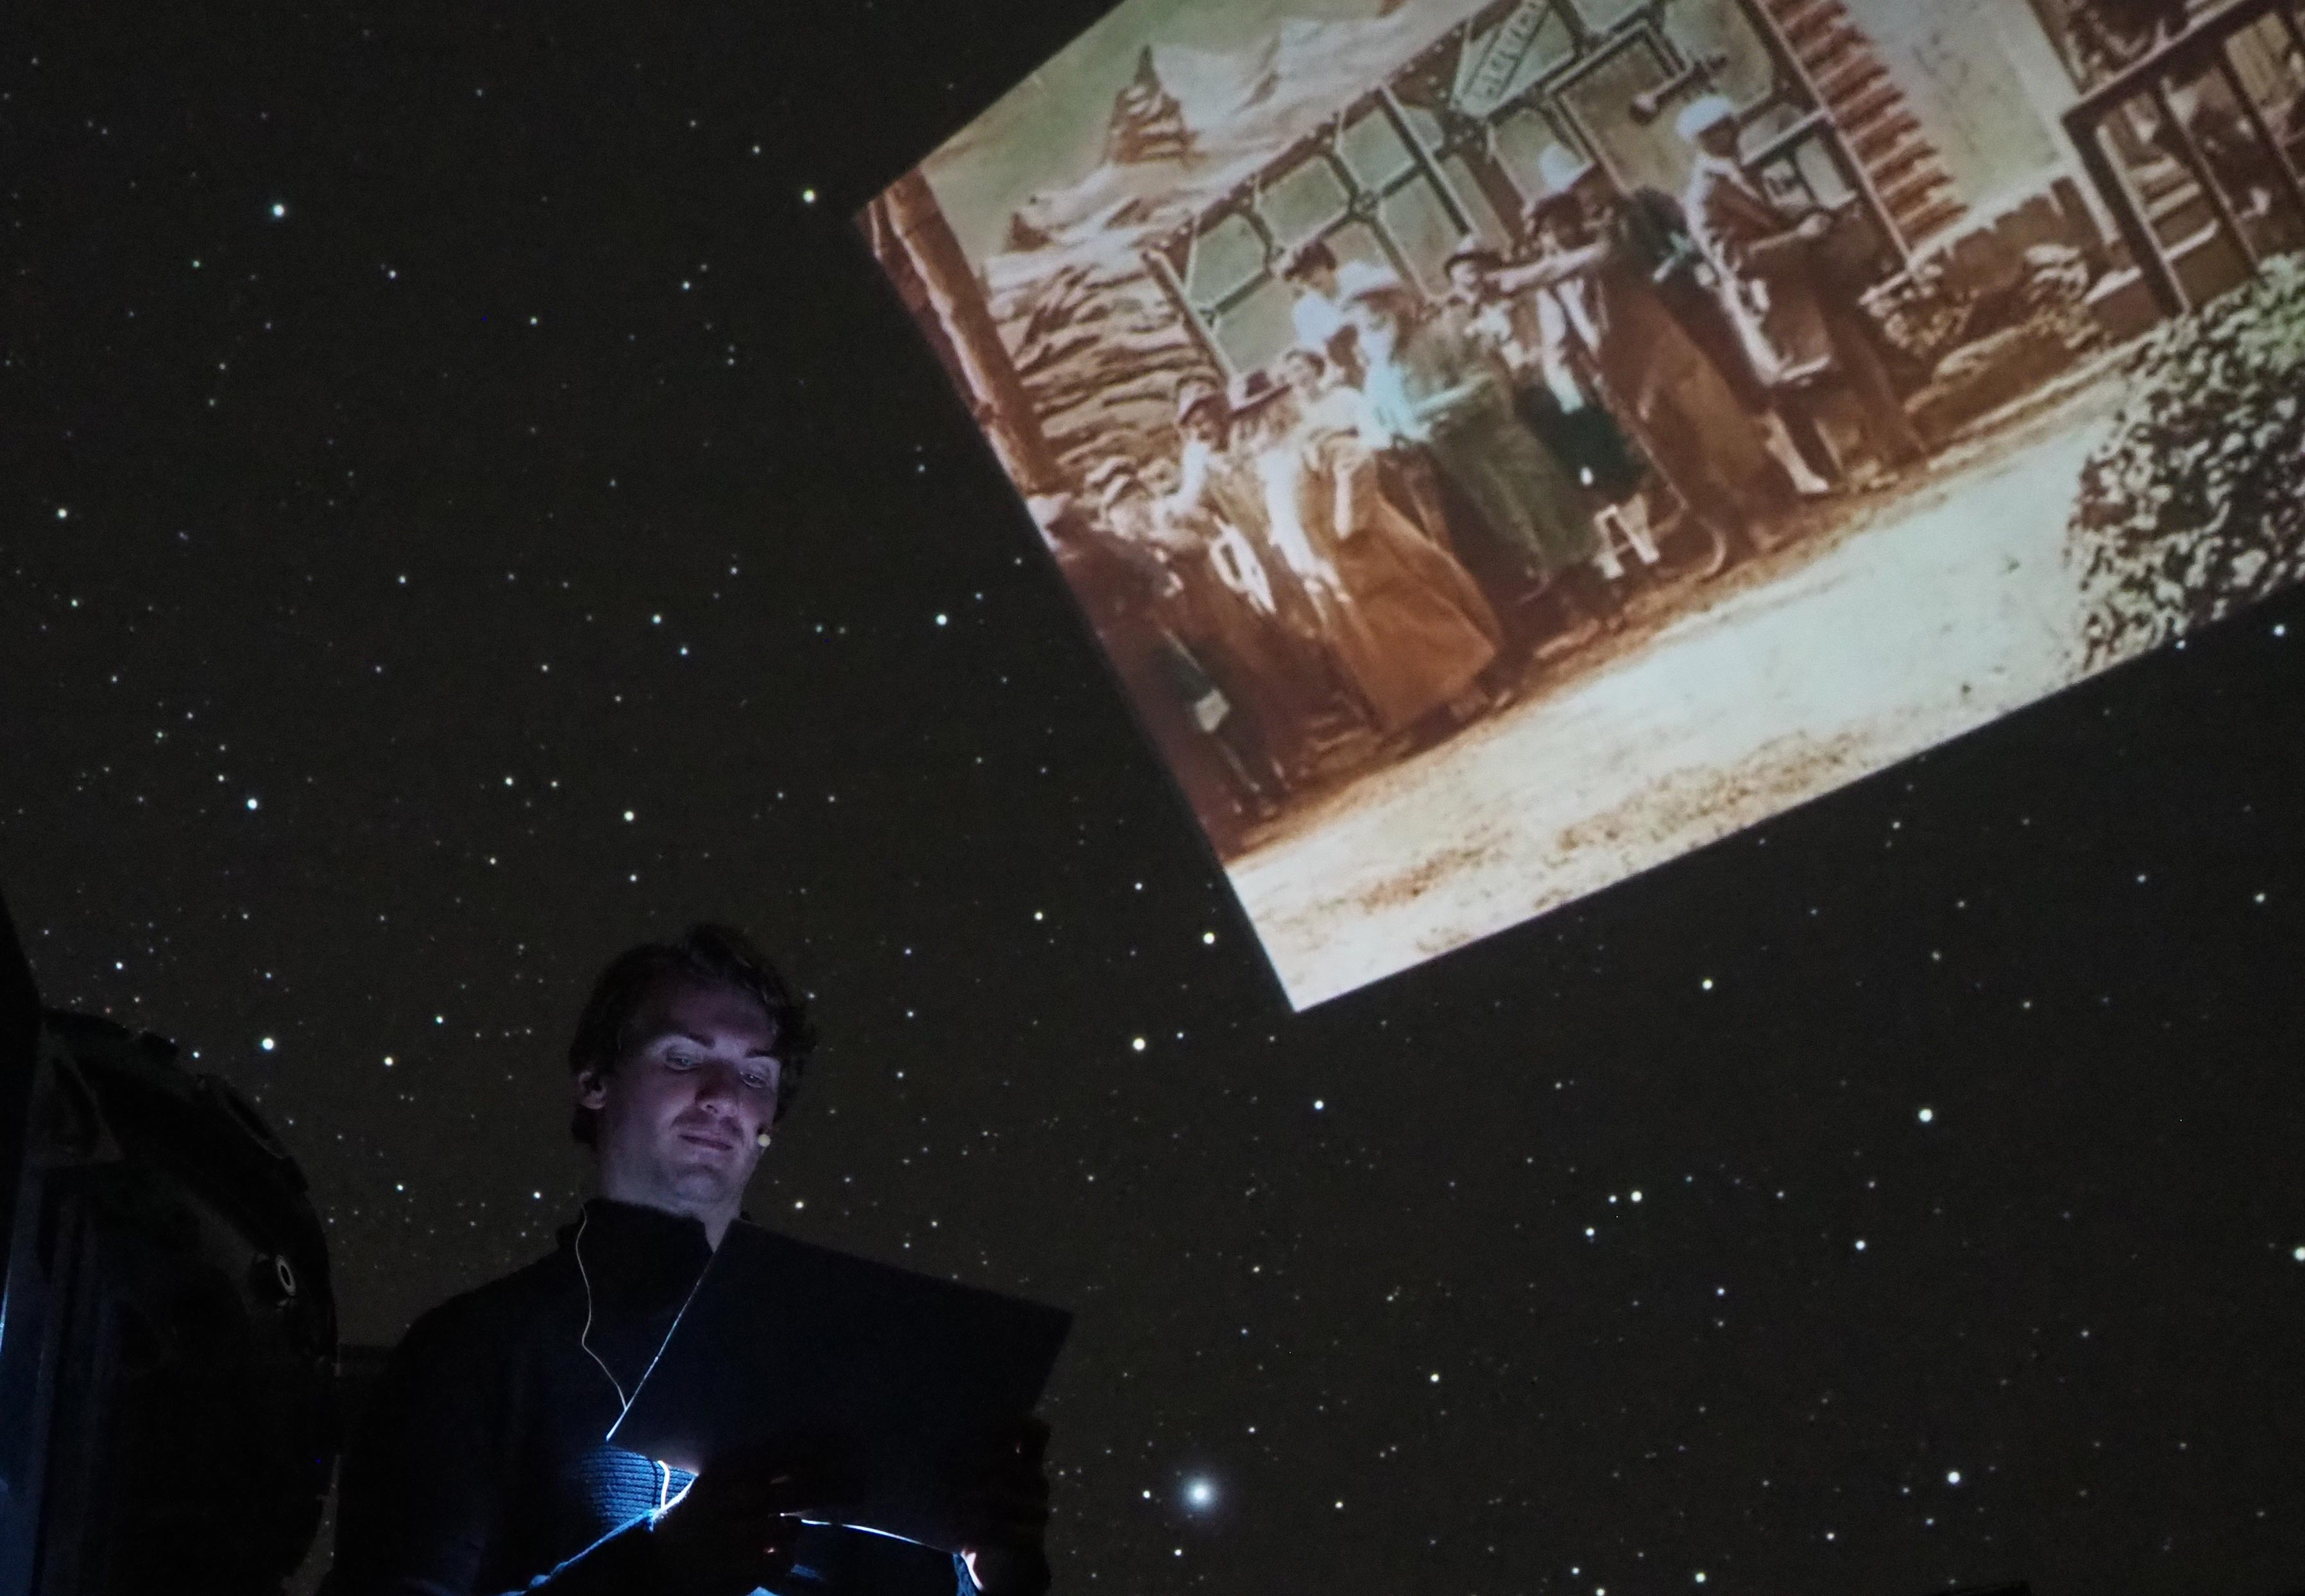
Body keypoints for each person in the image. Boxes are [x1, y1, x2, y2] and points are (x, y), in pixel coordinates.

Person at [323, 926, 1051, 1596]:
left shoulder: (866, 1369)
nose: (722, 1097)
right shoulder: (477, 1354)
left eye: (755, 1076)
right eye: (683, 1058)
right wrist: (654, 1568)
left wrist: (999, 1575)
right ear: (595, 1080)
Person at [1499, 145, 1790, 567]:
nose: (1561, 235)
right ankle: (1726, 536)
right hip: (1624, 378)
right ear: (1539, 240)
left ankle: (1768, 517)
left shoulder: (1608, 242)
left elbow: (1586, 263)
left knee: (1719, 433)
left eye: (1565, 223)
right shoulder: (1553, 287)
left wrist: (1514, 278)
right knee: (1673, 458)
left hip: (1667, 354)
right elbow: (1558, 343)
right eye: (1549, 231)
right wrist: (1575, 397)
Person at [1676, 93, 1928, 479]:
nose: (1726, 136)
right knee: (1818, 387)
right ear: (1699, 143)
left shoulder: (1739, 171)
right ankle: (1855, 469)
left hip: (1807, 286)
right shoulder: (1703, 197)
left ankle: (1901, 449)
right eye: (1713, 133)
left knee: (1860, 360)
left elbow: (1768, 214)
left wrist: (1809, 212)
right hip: (1777, 304)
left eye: (1727, 126)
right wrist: (1801, 238)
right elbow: (1734, 261)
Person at [1339, 267, 1599, 615]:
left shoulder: (1443, 336)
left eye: (1375, 308)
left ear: (1397, 304)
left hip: (1495, 443)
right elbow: (1379, 423)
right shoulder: (1376, 376)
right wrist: (1395, 437)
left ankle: (1598, 596)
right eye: (1360, 316)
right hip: (1452, 469)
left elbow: (1484, 383)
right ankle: (1564, 605)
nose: (1369, 320)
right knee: (1508, 532)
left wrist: (1434, 410)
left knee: (1544, 511)